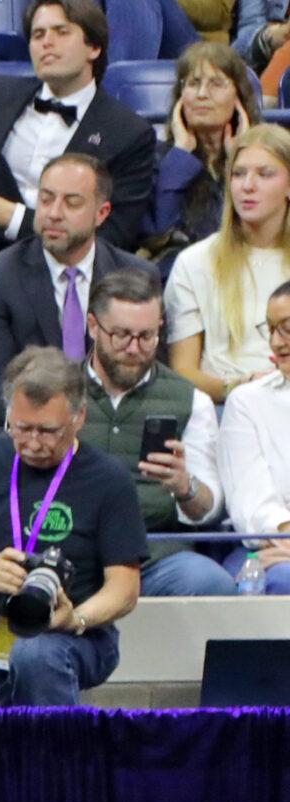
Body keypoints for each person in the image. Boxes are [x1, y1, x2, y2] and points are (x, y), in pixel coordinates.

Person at [0, 0, 157, 490]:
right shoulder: (2, 94)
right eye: (37, 33)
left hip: (87, 268)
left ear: (93, 46)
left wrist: (18, 219)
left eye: (60, 32)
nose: (44, 42)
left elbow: (118, 232)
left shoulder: (127, 131)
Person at [0, 346, 144, 706]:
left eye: (48, 431)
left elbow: (125, 588)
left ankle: (55, 757)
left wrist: (76, 617)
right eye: (21, 428)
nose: (33, 444)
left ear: (79, 418)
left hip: (75, 635)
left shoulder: (109, 481)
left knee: (35, 655)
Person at [78, 266, 233, 595]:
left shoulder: (191, 399)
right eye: (121, 335)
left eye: (146, 337)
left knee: (209, 582)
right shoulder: (56, 389)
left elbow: (209, 507)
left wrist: (184, 487)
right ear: (93, 326)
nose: (134, 349)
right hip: (69, 549)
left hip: (152, 555)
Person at [0, 152, 137, 421]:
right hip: (28, 429)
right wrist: (49, 423)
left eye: (72, 203)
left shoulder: (133, 275)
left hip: (114, 428)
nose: (54, 214)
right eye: (46, 199)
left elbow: (146, 371)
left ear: (101, 214)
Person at [166, 125, 290, 400]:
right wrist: (239, 386)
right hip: (226, 407)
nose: (248, 186)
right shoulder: (195, 262)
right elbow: (182, 372)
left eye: (265, 174)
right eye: (238, 174)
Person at [141, 39, 260, 267]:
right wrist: (180, 156)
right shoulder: (155, 157)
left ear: (239, 97)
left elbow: (257, 228)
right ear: (180, 97)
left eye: (216, 84)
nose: (202, 94)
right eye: (193, 83)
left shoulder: (268, 159)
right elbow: (156, 234)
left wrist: (241, 158)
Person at [212, 277, 290, 589]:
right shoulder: (247, 401)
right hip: (268, 550)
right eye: (270, 329)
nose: (275, 342)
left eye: (287, 327)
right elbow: (251, 504)